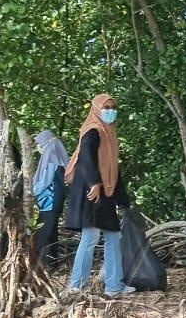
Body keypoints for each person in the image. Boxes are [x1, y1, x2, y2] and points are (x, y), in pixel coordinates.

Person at [65, 94, 134, 297]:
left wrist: (122, 199)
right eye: (106, 107)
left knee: (113, 236)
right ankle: (77, 285)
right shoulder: (93, 131)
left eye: (113, 107)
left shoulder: (109, 134)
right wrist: (93, 182)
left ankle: (114, 285)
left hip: (105, 192)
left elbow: (113, 168)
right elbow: (85, 158)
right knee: (91, 237)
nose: (110, 111)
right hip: (91, 192)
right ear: (96, 109)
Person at [31, 129, 68, 268]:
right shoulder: (55, 154)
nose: (39, 146)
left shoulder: (51, 155)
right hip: (53, 201)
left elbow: (45, 181)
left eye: (39, 143)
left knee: (44, 233)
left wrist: (31, 192)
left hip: (49, 201)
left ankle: (42, 264)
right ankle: (52, 263)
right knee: (51, 232)